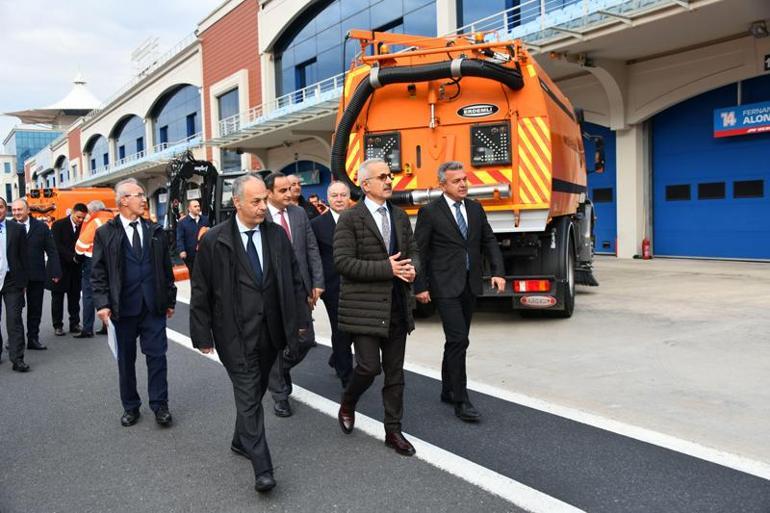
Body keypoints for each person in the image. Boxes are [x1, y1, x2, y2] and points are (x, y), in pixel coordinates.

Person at [190, 173, 308, 493]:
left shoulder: (276, 236)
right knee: (247, 394)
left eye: (263, 200)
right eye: (255, 201)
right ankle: (263, 468)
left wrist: (299, 323)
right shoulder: (215, 240)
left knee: (254, 392)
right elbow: (201, 291)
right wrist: (202, 335)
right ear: (237, 202)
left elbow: (293, 282)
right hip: (233, 334)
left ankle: (240, 440)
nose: (262, 207)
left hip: (270, 332)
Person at [334, 158, 420, 456]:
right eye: (382, 176)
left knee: (395, 374)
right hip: (364, 309)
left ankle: (393, 431)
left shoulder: (399, 216)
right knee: (368, 367)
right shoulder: (350, 219)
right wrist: (387, 268)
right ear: (364, 183)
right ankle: (348, 400)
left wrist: (412, 271)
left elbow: (413, 253)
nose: (388, 180)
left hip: (397, 306)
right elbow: (343, 263)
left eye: (390, 175)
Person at [414, 161, 506, 422]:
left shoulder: (476, 209)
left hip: (470, 283)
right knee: (458, 340)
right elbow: (420, 250)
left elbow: (488, 240)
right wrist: (420, 286)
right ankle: (461, 400)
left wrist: (498, 272)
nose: (464, 184)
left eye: (465, 179)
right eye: (457, 181)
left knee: (458, 339)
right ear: (442, 184)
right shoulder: (430, 212)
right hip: (444, 285)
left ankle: (447, 388)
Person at [91, 178, 176, 428]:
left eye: (142, 194)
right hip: (122, 309)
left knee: (157, 357)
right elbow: (98, 272)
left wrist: (169, 299)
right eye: (138, 194)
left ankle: (160, 405)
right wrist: (102, 304)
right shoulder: (105, 233)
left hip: (153, 308)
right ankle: (130, 406)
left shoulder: (155, 231)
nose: (143, 199)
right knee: (126, 362)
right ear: (123, 200)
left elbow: (165, 269)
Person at [264, 171, 324, 418]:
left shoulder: (299, 213)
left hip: (300, 289)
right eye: (283, 190)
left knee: (305, 340)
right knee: (277, 341)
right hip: (271, 292)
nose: (290, 194)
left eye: (290, 189)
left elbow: (311, 248)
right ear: (269, 193)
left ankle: (276, 371)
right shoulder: (260, 216)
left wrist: (317, 282)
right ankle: (280, 395)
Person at [311, 181, 353, 387]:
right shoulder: (317, 225)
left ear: (349, 197)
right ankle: (346, 375)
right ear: (328, 198)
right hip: (333, 285)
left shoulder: (360, 220)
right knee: (341, 329)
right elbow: (314, 256)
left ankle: (337, 356)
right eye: (334, 195)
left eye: (343, 195)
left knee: (356, 329)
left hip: (359, 284)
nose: (339, 199)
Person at [11, 199, 62, 351]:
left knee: (35, 309)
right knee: (14, 311)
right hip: (14, 277)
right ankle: (16, 340)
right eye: (14, 210)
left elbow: (51, 250)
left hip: (36, 274)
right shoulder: (8, 227)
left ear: (28, 210)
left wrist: (55, 270)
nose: (16, 213)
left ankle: (33, 338)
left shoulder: (41, 227)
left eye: (20, 210)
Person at [74, 200, 113, 338]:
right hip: (112, 262)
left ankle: (88, 328)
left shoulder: (95, 222)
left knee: (89, 294)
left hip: (93, 261)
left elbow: (81, 244)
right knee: (108, 292)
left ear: (93, 212)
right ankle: (107, 325)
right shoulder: (114, 219)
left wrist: (77, 257)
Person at [0, 197, 30, 371]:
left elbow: (24, 257)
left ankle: (17, 358)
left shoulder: (17, 229)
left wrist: (24, 282)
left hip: (12, 281)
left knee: (14, 320)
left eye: (1, 207)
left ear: (6, 209)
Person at [50, 203, 87, 336]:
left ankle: (75, 323)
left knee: (75, 297)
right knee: (57, 298)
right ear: (72, 212)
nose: (80, 220)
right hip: (60, 267)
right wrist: (72, 257)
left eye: (83, 218)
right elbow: (56, 246)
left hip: (76, 268)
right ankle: (57, 325)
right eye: (78, 217)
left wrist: (78, 259)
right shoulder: (58, 225)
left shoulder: (84, 227)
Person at [175, 198, 208, 275]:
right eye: (195, 206)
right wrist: (182, 250)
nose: (198, 208)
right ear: (189, 209)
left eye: (198, 206)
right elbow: (180, 238)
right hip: (190, 255)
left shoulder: (205, 219)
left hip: (204, 253)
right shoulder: (183, 222)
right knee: (194, 275)